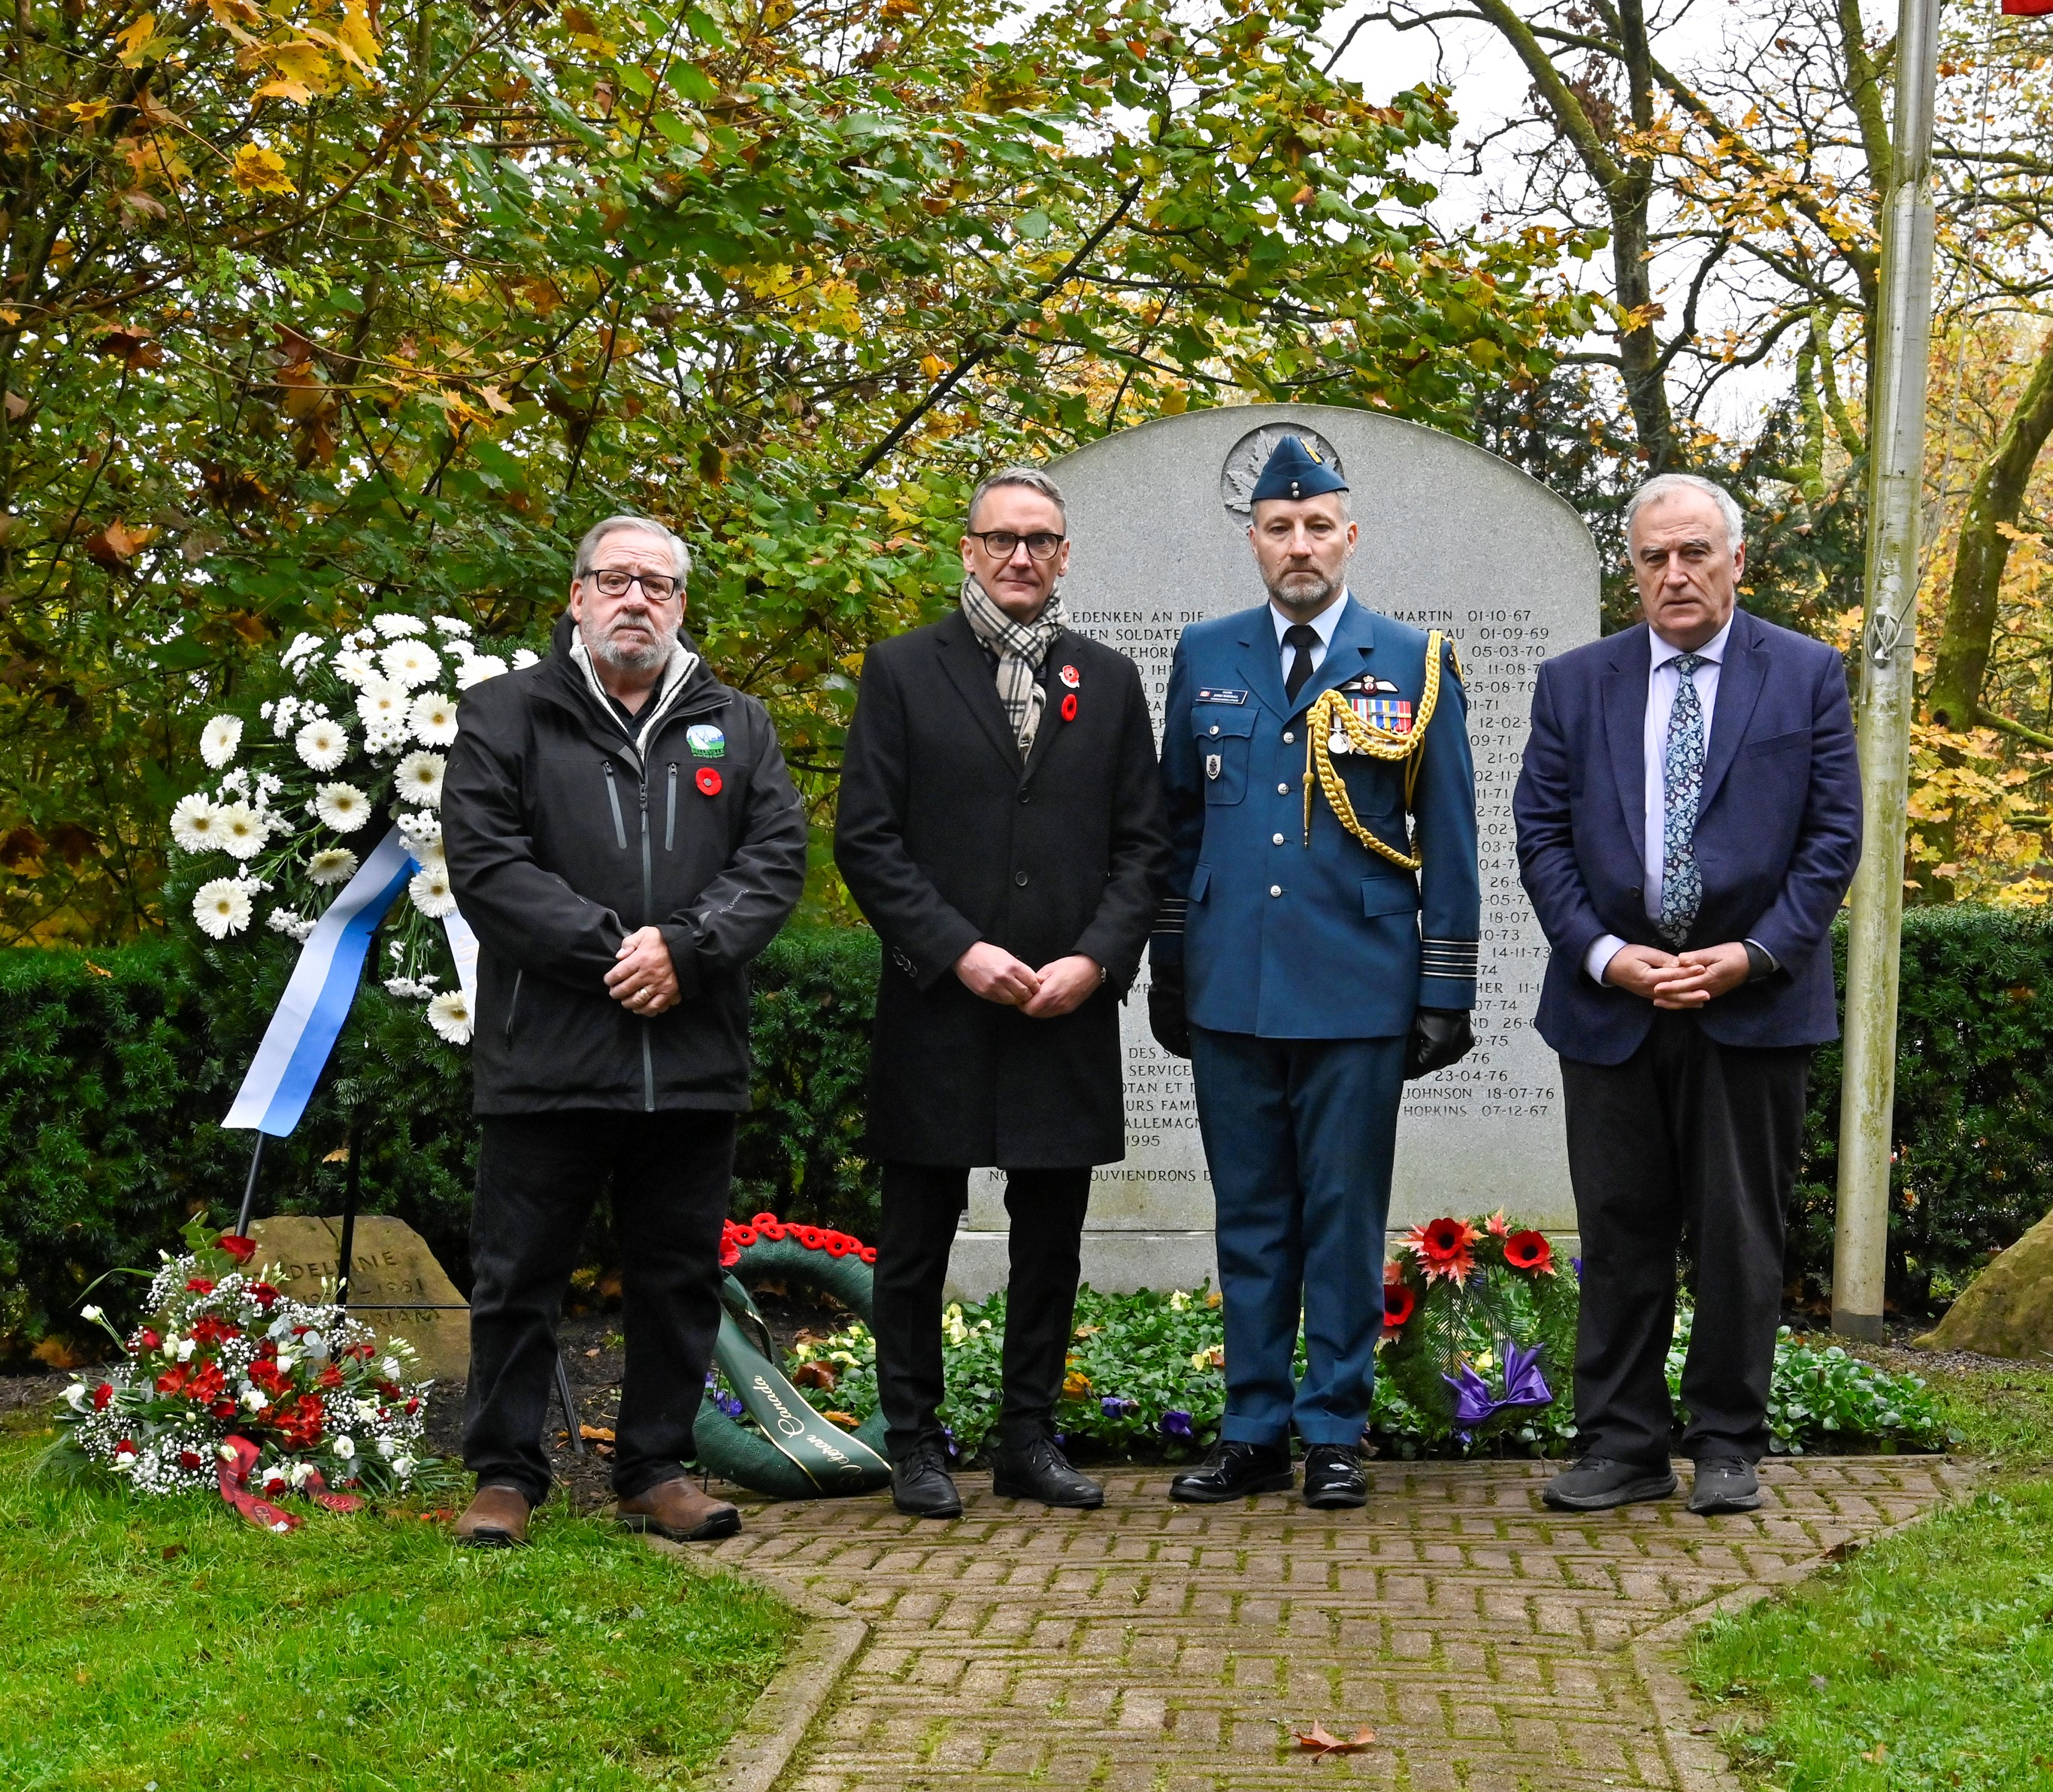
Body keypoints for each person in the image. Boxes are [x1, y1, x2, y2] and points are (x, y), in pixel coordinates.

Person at [442, 513, 810, 1547]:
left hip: (690, 1060)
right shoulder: (505, 715)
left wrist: (686, 953)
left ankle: (654, 1467)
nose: (635, 599)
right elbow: (488, 865)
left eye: (657, 583)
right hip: (547, 1056)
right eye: (614, 580)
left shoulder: (738, 725)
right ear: (577, 597)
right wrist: (617, 950)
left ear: (682, 603)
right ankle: (506, 1474)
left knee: (678, 1276)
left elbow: (775, 861)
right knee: (518, 1277)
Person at [1511, 473, 1863, 1516]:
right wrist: (1603, 954)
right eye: (1657, 556)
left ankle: (1726, 1444)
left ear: (1736, 561)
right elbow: (1541, 836)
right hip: (1612, 1005)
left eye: (1696, 552)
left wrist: (1755, 954)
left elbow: (1832, 836)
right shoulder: (1576, 684)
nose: (1677, 573)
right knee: (1620, 1230)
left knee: (1737, 1232)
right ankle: (1620, 1444)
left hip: (1751, 1004)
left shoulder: (1805, 676)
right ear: (1635, 569)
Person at [1147, 435, 1479, 1511]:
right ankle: (1250, 1429)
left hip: (1356, 989)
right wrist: (1168, 967)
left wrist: (1445, 988)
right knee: (1248, 1214)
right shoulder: (1205, 654)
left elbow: (1456, 838)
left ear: (1351, 537)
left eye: (1318, 527)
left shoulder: (1414, 660)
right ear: (1253, 541)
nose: (1300, 546)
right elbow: (1177, 823)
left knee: (1342, 1213)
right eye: (1280, 528)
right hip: (1232, 986)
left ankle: (1334, 1427)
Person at [835, 466, 1170, 1518]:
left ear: (1065, 556)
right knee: (915, 1238)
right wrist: (957, 949)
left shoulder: (1109, 682)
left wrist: (1098, 960)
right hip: (941, 1002)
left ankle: (1028, 1440)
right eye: (1001, 538)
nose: (1020, 556)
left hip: (1061, 1009)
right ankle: (916, 1444)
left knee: (1050, 1238)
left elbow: (1142, 847)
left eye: (1041, 539)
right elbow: (869, 841)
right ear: (968, 552)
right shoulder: (900, 672)